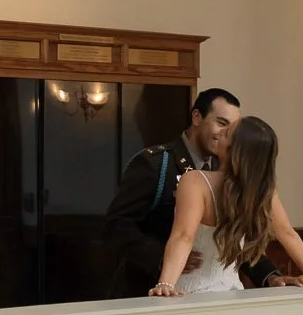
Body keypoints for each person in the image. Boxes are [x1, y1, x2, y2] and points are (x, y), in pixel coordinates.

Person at [150, 114, 303, 296]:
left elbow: (184, 236)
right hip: (233, 293)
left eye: (226, 133)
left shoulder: (194, 181)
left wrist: (166, 283)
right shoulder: (262, 191)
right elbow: (287, 233)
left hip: (190, 292)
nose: (219, 133)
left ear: (236, 149)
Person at [102, 88, 240, 297]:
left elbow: (235, 234)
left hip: (209, 293)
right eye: (221, 123)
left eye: (232, 128)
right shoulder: (156, 163)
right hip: (148, 290)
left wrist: (270, 275)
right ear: (196, 117)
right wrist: (161, 256)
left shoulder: (227, 169)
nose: (226, 134)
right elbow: (116, 225)